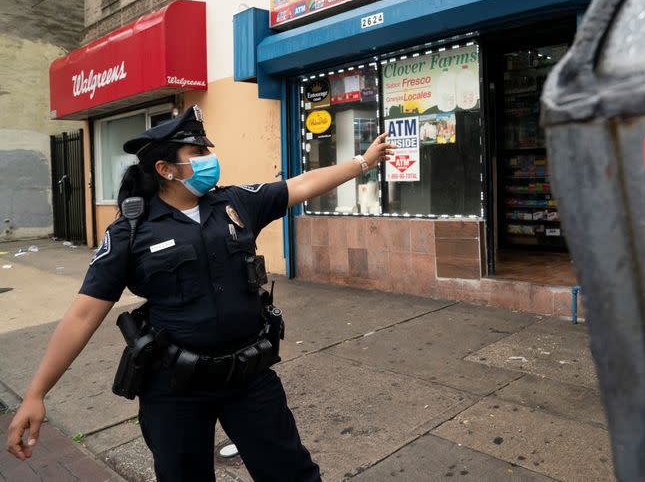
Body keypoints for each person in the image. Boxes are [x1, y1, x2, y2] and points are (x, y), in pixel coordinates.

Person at [5, 105, 394, 481]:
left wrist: (362, 163)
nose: (209, 158)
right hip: (176, 389)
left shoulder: (235, 202)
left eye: (207, 150)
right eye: (198, 152)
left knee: (291, 472)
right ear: (165, 169)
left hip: (249, 378)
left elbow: (300, 185)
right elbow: (82, 315)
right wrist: (36, 392)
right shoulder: (130, 231)